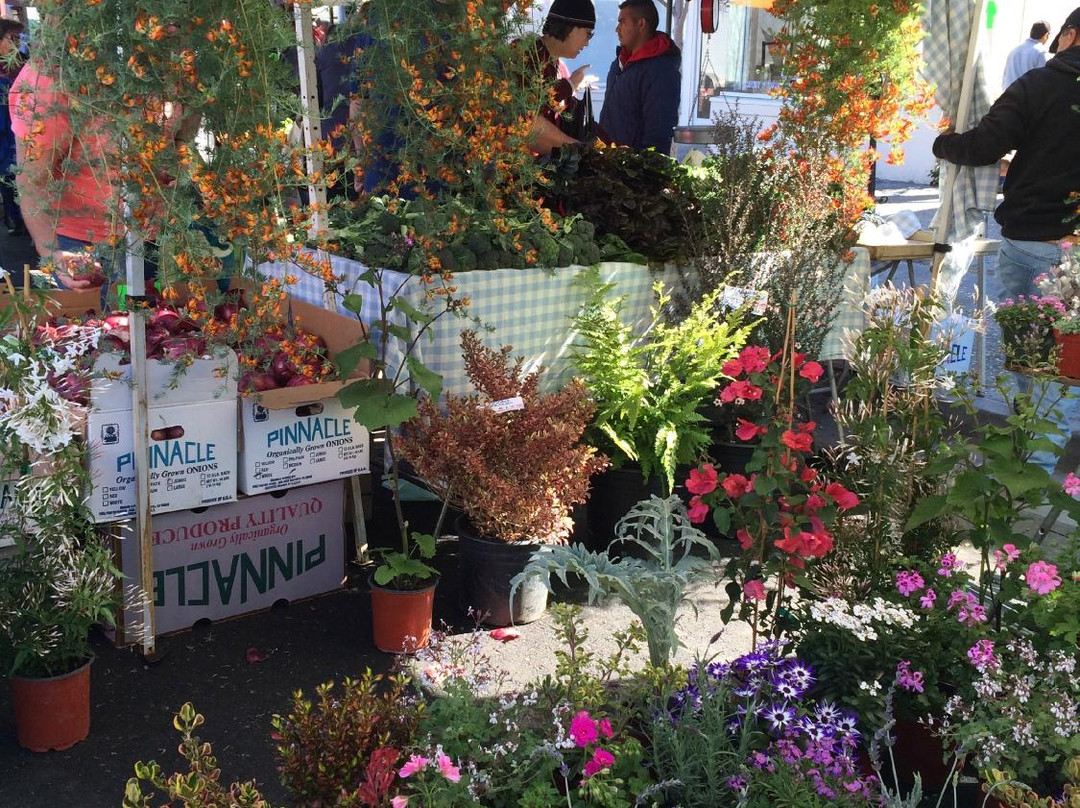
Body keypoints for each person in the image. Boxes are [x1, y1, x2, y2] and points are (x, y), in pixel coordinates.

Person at [933, 6, 1080, 303]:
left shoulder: (1036, 85)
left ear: (1070, 34)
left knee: (1028, 345)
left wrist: (942, 144)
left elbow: (983, 147)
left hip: (1035, 238)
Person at [9, 54, 119, 289]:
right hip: (86, 244)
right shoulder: (50, 81)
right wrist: (51, 251)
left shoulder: (158, 64)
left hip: (152, 237)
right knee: (106, 318)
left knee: (145, 313)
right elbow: (32, 178)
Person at [598, 0, 680, 154]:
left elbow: (659, 132)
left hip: (634, 169)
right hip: (607, 164)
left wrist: (647, 173)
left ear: (641, 24)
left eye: (622, 22)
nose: (617, 29)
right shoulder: (619, 63)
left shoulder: (661, 70)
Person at [521, 0, 597, 155]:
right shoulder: (526, 54)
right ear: (571, 27)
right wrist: (569, 85)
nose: (587, 43)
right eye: (588, 34)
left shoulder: (558, 65)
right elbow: (526, 115)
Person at [0, 18, 26, 237]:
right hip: (6, 139)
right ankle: (15, 220)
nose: (17, 43)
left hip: (18, 134)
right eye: (13, 38)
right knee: (9, 180)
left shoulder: (21, 63)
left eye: (19, 38)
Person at [1002, 20, 1051, 90]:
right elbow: (1042, 81)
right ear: (1046, 35)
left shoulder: (1014, 50)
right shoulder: (1041, 53)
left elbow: (1005, 76)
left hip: (1007, 95)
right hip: (1024, 98)